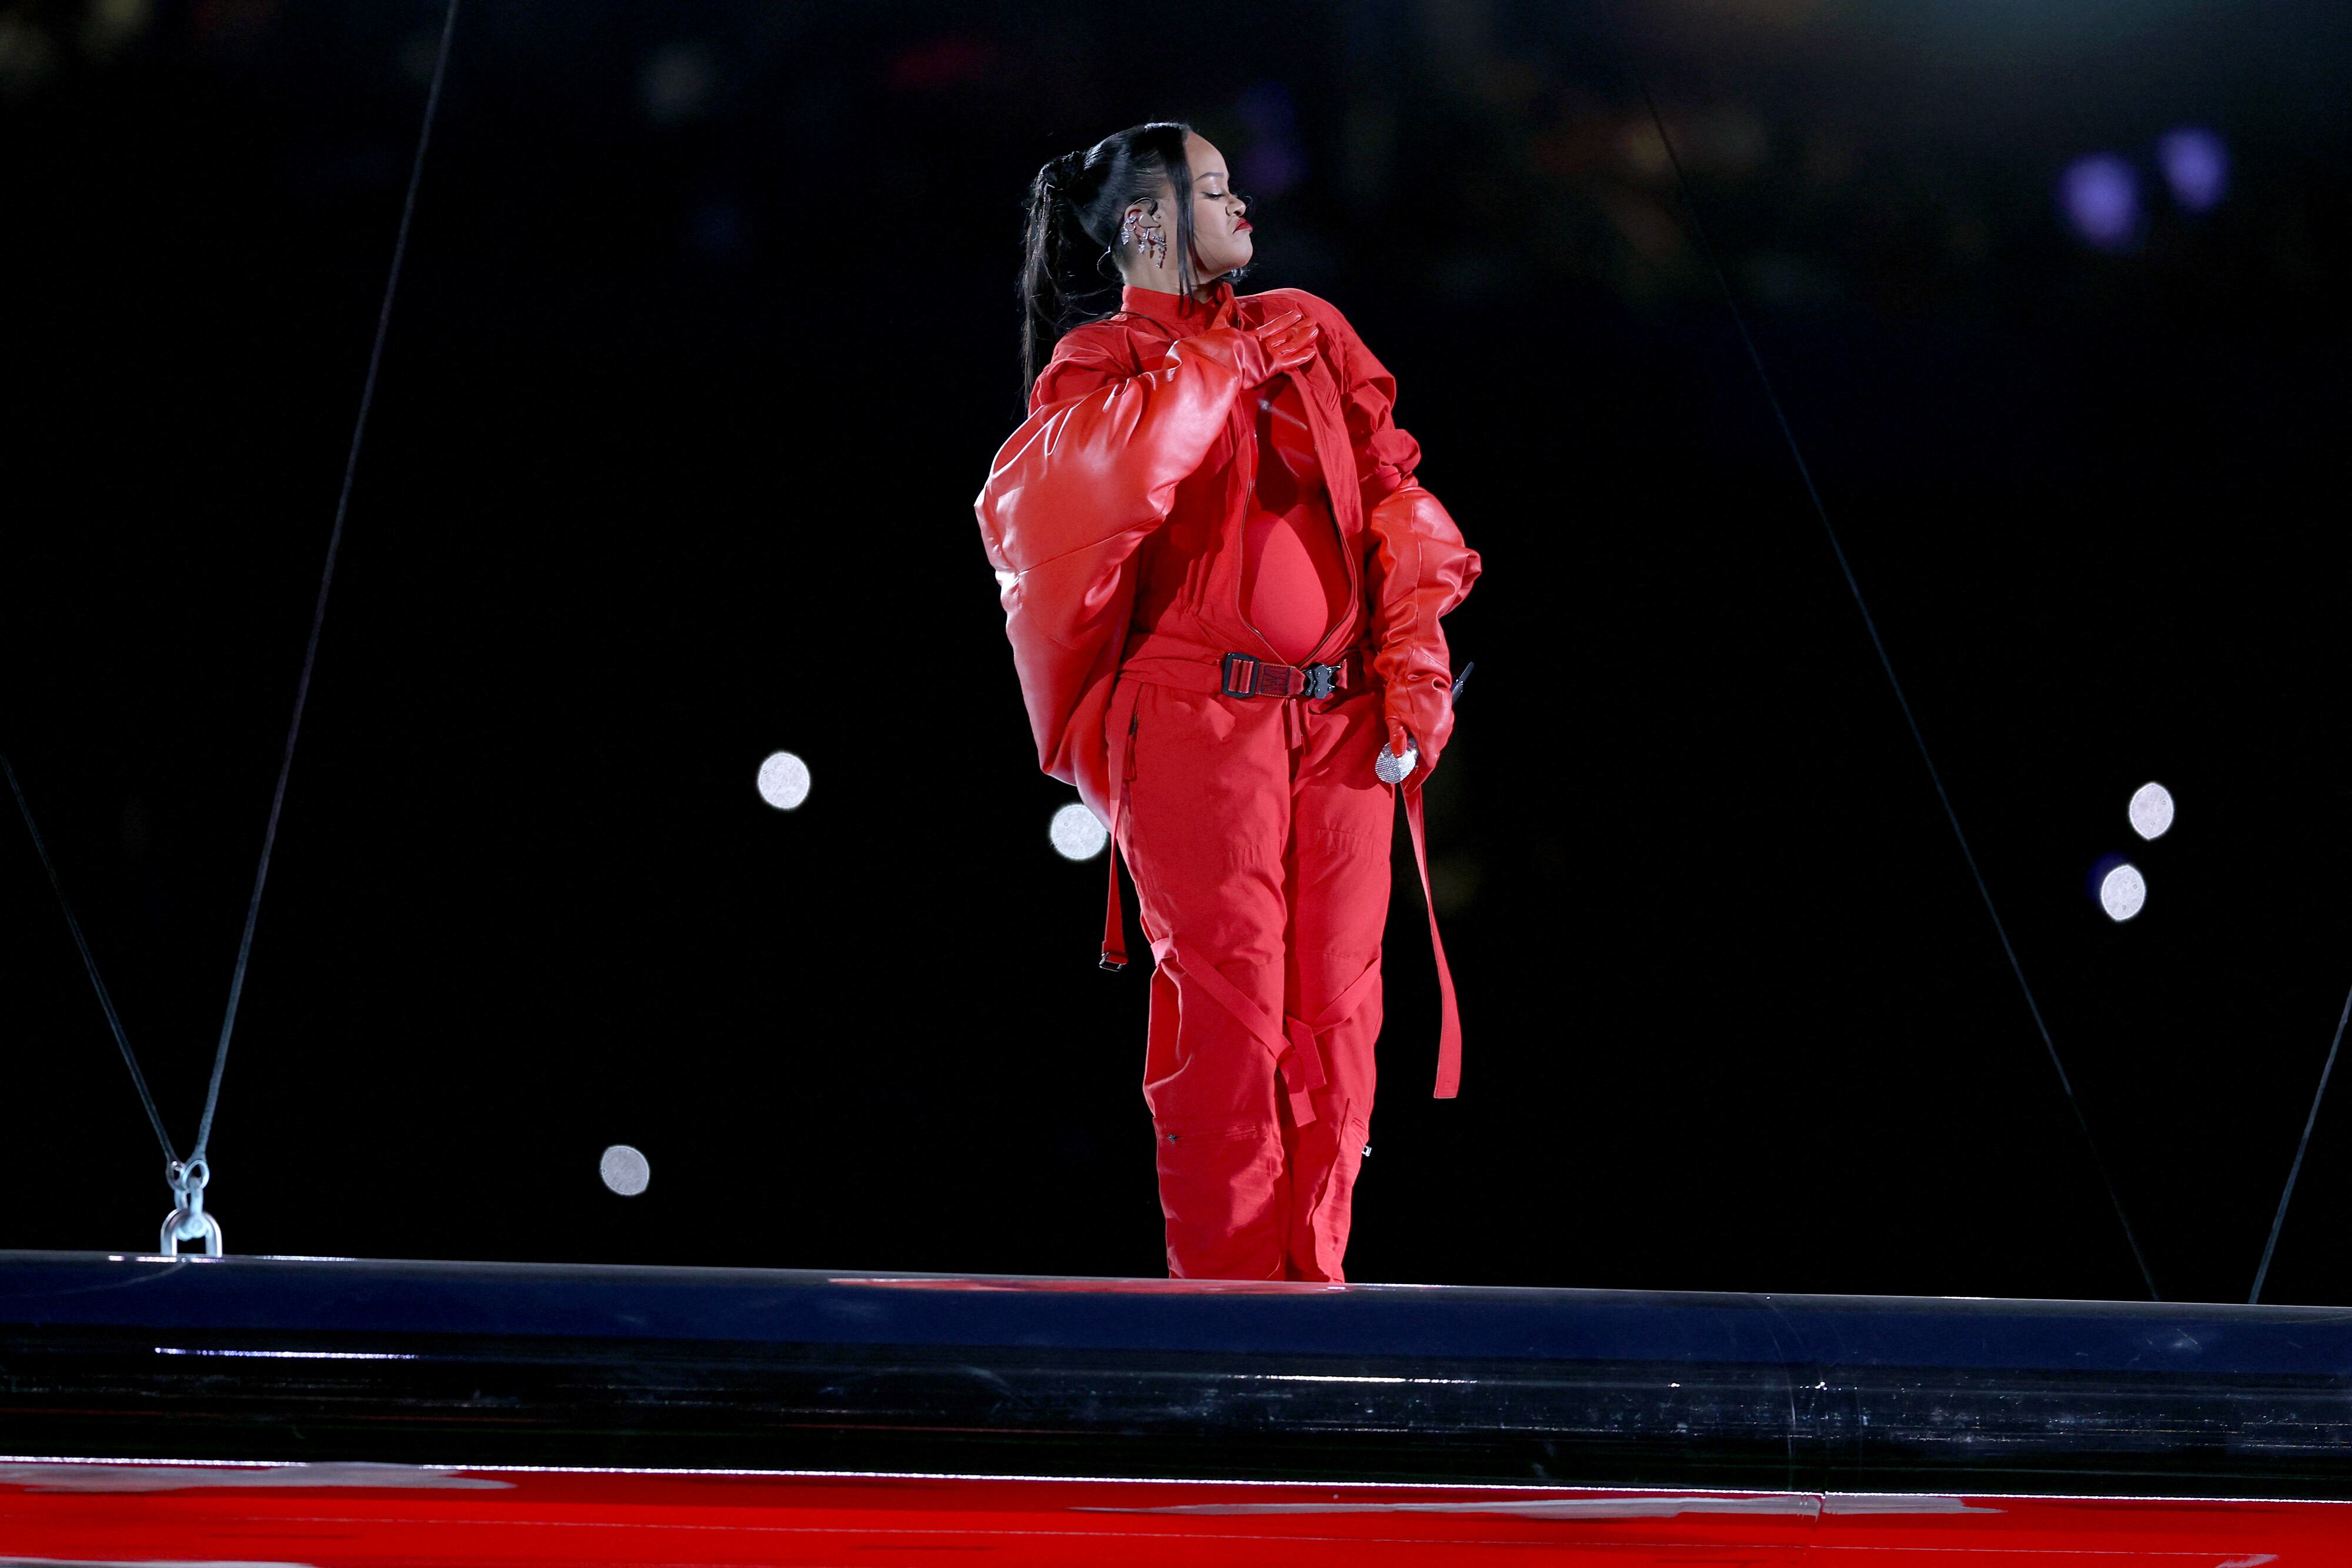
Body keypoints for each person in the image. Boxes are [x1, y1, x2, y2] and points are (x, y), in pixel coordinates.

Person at [973, 121, 1479, 1281]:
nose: (1241, 203)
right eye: (1211, 189)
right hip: (1193, 723)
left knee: (1341, 1009)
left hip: (1341, 720)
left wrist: (1412, 666)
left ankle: (1314, 1286)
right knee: (1229, 1008)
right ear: (1148, 224)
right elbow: (1097, 489)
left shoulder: (1308, 331)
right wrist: (1213, 360)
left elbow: (1396, 499)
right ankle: (1229, 1302)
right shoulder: (1101, 365)